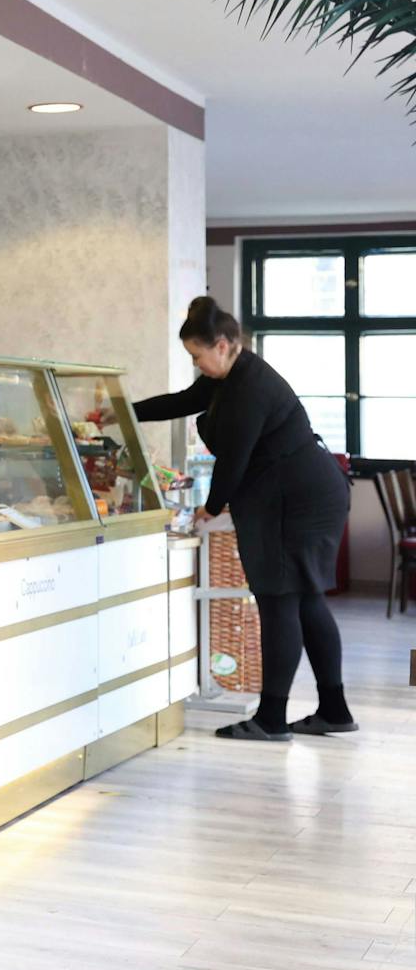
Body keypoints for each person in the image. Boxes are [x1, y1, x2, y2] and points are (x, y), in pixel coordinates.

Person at [132, 296, 355, 741]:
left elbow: (234, 459)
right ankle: (334, 710)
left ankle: (271, 718)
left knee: (279, 600)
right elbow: (182, 401)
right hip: (309, 490)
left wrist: (211, 508)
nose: (196, 364)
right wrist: (125, 414)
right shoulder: (230, 378)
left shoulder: (249, 387)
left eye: (197, 355)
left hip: (295, 498)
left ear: (221, 345)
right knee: (305, 598)